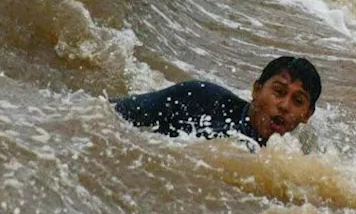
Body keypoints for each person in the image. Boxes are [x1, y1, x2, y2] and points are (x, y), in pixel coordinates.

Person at [112, 56, 321, 147]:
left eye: (297, 101)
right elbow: (110, 112)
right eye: (278, 91)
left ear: (307, 115)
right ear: (256, 90)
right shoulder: (197, 97)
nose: (284, 106)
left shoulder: (296, 157)